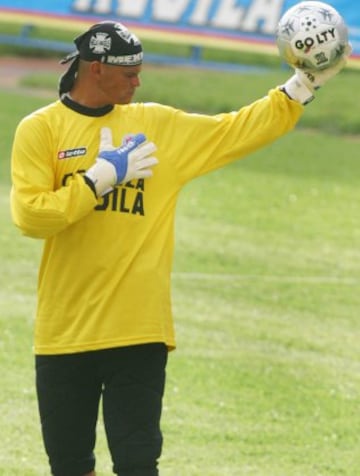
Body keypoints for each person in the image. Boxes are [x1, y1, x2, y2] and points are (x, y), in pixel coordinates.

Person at [10, 20, 349, 476]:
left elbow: (233, 132)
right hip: (63, 333)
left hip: (139, 332)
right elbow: (31, 217)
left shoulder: (156, 126)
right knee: (70, 465)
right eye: (129, 73)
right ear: (94, 70)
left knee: (137, 463)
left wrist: (299, 88)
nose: (138, 81)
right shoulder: (39, 131)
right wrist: (98, 180)